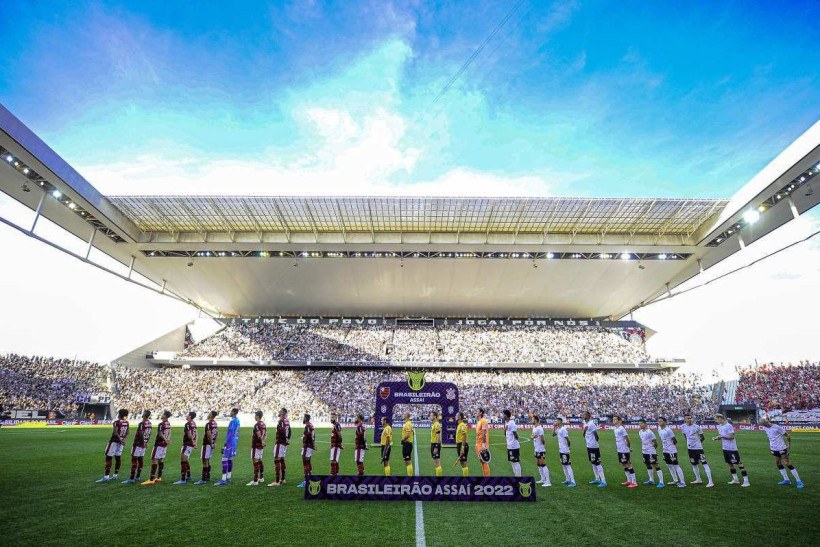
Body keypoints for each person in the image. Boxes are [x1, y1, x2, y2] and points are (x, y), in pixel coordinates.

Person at [759, 416, 803, 488]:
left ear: (766, 422)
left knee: (787, 463)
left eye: (763, 424)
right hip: (774, 449)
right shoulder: (765, 427)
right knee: (778, 463)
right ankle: (786, 480)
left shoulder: (777, 427)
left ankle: (799, 481)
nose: (762, 425)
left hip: (782, 448)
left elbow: (787, 435)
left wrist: (789, 445)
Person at [712, 413, 750, 487]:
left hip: (732, 448)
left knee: (739, 464)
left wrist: (721, 436)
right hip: (725, 448)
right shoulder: (719, 426)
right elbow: (723, 436)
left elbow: (732, 436)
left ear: (720, 418)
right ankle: (735, 479)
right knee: (730, 464)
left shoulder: (728, 425)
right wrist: (718, 437)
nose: (716, 421)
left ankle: (746, 481)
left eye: (716, 419)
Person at [680, 413, 713, 487]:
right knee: (694, 464)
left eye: (690, 418)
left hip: (698, 448)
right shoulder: (682, 427)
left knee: (704, 463)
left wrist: (698, 443)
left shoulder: (696, 427)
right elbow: (685, 436)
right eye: (688, 418)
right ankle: (698, 479)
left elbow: (702, 437)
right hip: (690, 449)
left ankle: (710, 481)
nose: (689, 419)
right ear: (685, 420)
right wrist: (689, 443)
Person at [96, 408, 129, 483]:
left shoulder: (116, 422)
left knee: (108, 457)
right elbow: (128, 432)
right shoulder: (127, 423)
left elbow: (115, 432)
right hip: (121, 443)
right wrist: (123, 440)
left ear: (120, 414)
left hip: (114, 441)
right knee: (118, 457)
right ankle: (115, 475)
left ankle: (106, 476)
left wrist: (120, 439)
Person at [142, 410, 171, 485]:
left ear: (165, 416)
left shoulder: (161, 424)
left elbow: (160, 434)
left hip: (159, 444)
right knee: (161, 460)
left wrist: (165, 439)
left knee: (154, 459)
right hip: (164, 445)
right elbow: (170, 432)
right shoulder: (168, 423)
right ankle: (159, 477)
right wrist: (167, 440)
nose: (161, 415)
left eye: (163, 414)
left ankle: (151, 479)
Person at [123, 410, 151, 484]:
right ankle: (138, 476)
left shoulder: (142, 423)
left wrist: (144, 442)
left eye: (143, 413)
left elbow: (141, 434)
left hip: (138, 443)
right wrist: (146, 442)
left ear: (144, 415)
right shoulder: (149, 423)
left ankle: (132, 478)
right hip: (144, 445)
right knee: (140, 459)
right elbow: (149, 434)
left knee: (134, 460)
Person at [215, 408, 240, 487]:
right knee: (230, 459)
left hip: (230, 442)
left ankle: (223, 479)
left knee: (224, 459)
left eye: (231, 411)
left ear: (233, 412)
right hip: (234, 442)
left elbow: (230, 433)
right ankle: (228, 477)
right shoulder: (237, 420)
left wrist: (225, 444)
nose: (230, 413)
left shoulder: (233, 421)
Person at [658, 417, 685, 488]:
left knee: (676, 465)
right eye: (659, 421)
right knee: (669, 465)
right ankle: (675, 480)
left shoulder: (669, 430)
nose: (659, 423)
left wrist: (671, 446)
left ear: (665, 422)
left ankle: (683, 482)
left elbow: (675, 440)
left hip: (671, 450)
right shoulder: (659, 429)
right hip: (665, 450)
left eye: (661, 421)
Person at [582, 411, 606, 488]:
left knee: (597, 463)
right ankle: (597, 478)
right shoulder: (585, 423)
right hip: (589, 445)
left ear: (589, 416)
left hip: (593, 446)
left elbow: (595, 434)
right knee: (593, 462)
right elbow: (585, 433)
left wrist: (595, 442)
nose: (583, 415)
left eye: (585, 415)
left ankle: (603, 481)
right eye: (583, 414)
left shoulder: (591, 423)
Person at [637, 419, 664, 488]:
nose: (640, 425)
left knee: (655, 465)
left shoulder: (649, 432)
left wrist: (652, 450)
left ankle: (661, 482)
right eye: (639, 423)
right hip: (644, 451)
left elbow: (655, 443)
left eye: (641, 423)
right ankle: (651, 480)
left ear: (645, 424)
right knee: (648, 465)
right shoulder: (640, 432)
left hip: (651, 451)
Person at [612, 416, 637, 488]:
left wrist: (629, 447)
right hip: (619, 449)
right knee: (624, 464)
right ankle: (629, 480)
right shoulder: (615, 429)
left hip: (624, 449)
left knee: (628, 464)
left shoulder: (621, 428)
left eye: (615, 419)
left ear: (619, 421)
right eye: (613, 419)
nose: (613, 420)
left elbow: (627, 438)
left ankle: (634, 482)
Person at [269, 408, 291, 486]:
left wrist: (285, 438)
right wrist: (288, 439)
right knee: (282, 460)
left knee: (277, 460)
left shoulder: (281, 421)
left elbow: (282, 431)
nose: (278, 412)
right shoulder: (287, 421)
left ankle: (277, 481)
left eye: (280, 411)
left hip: (280, 443)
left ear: (282, 413)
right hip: (284, 444)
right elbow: (290, 431)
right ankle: (283, 479)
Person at [174, 411, 197, 485]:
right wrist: (195, 442)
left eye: (187, 415)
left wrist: (193, 442)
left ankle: (183, 479)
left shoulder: (188, 424)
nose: (186, 416)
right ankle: (189, 476)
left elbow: (189, 434)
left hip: (187, 444)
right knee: (186, 459)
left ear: (190, 416)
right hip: (190, 444)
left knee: (183, 460)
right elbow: (196, 433)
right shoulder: (194, 423)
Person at [552, 417, 575, 487]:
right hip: (561, 449)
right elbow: (553, 435)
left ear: (560, 421)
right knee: (564, 465)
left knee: (567, 465)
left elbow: (568, 440)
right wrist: (554, 427)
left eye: (556, 421)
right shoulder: (558, 429)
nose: (555, 422)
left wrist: (568, 448)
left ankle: (573, 481)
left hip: (565, 450)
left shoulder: (563, 429)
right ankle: (567, 479)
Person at [196, 411, 217, 484]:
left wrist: (211, 444)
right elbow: (216, 433)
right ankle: (207, 476)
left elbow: (209, 435)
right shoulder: (215, 423)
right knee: (207, 460)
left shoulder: (208, 424)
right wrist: (214, 443)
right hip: (211, 444)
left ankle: (203, 478)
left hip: (207, 444)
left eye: (209, 413)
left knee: (205, 460)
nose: (208, 414)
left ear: (211, 415)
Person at [248, 410, 267, 486]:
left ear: (258, 416)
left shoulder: (256, 425)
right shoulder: (263, 424)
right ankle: (261, 477)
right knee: (259, 460)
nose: (254, 416)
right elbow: (266, 434)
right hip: (261, 446)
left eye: (255, 415)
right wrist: (263, 442)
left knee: (255, 461)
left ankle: (255, 480)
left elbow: (258, 434)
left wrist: (261, 441)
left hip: (256, 445)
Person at [501, 409, 521, 478]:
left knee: (515, 462)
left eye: (503, 414)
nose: (502, 415)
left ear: (506, 415)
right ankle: (516, 476)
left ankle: (518, 477)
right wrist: (505, 429)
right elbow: (505, 434)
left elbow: (515, 435)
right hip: (509, 445)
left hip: (514, 446)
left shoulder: (512, 423)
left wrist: (514, 439)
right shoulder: (507, 423)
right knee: (512, 462)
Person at [531, 415, 550, 487]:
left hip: (540, 448)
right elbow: (533, 436)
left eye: (532, 419)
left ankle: (548, 481)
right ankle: (542, 479)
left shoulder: (540, 428)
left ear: (535, 420)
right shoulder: (534, 427)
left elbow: (542, 439)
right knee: (538, 464)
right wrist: (533, 437)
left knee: (543, 464)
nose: (531, 420)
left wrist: (543, 447)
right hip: (536, 448)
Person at [297, 413, 315, 489]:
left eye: (303, 418)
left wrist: (311, 444)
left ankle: (306, 481)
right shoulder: (311, 425)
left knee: (305, 463)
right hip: (309, 447)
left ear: (305, 418)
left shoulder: (307, 426)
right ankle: (309, 479)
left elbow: (311, 436)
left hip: (307, 447)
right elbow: (312, 435)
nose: (302, 419)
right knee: (308, 462)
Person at [475, 408, 491, 477]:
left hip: (482, 444)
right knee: (482, 461)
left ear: (481, 413)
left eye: (477, 411)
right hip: (478, 444)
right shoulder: (479, 421)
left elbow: (484, 432)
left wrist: (484, 444)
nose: (476, 412)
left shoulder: (483, 421)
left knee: (484, 461)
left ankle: (487, 477)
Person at [454, 412, 469, 477]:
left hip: (462, 445)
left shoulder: (462, 425)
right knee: (462, 463)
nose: (455, 416)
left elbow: (464, 436)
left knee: (464, 463)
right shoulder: (459, 425)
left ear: (460, 417)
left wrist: (462, 447)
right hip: (460, 445)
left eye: (456, 415)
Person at [401, 412, 415, 476]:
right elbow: (413, 433)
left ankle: (410, 476)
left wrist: (402, 439)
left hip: (407, 444)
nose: (402, 415)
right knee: (407, 460)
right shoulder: (408, 423)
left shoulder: (408, 424)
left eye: (404, 414)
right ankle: (410, 474)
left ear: (406, 416)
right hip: (407, 443)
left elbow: (408, 434)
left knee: (408, 460)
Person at [329, 412, 343, 476]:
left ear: (335, 418)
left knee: (333, 460)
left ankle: (333, 475)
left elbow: (340, 435)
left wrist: (339, 444)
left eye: (332, 417)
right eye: (331, 417)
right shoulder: (334, 425)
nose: (331, 419)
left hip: (336, 446)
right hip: (334, 445)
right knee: (335, 460)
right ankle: (336, 473)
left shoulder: (337, 425)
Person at [430, 411, 443, 477]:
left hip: (435, 444)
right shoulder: (434, 424)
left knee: (437, 463)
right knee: (436, 463)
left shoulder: (436, 424)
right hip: (433, 444)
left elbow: (439, 437)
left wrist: (436, 447)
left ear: (435, 416)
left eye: (431, 415)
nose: (430, 417)